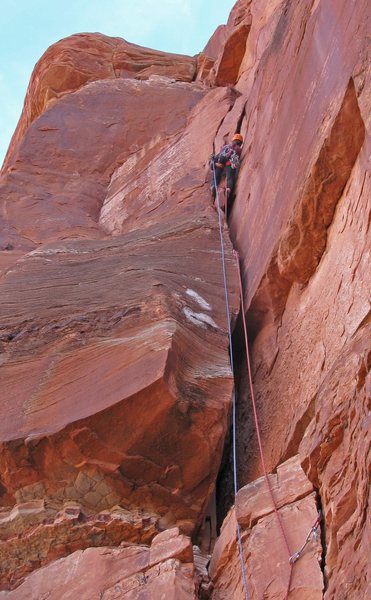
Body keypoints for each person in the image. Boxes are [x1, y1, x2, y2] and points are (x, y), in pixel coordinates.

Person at [210, 133, 243, 210]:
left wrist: (214, 163)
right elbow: (235, 159)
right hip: (229, 162)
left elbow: (217, 156)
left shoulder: (225, 146)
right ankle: (228, 189)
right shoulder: (238, 149)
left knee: (216, 172)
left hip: (220, 161)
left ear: (233, 140)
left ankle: (213, 186)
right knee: (230, 177)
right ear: (240, 143)